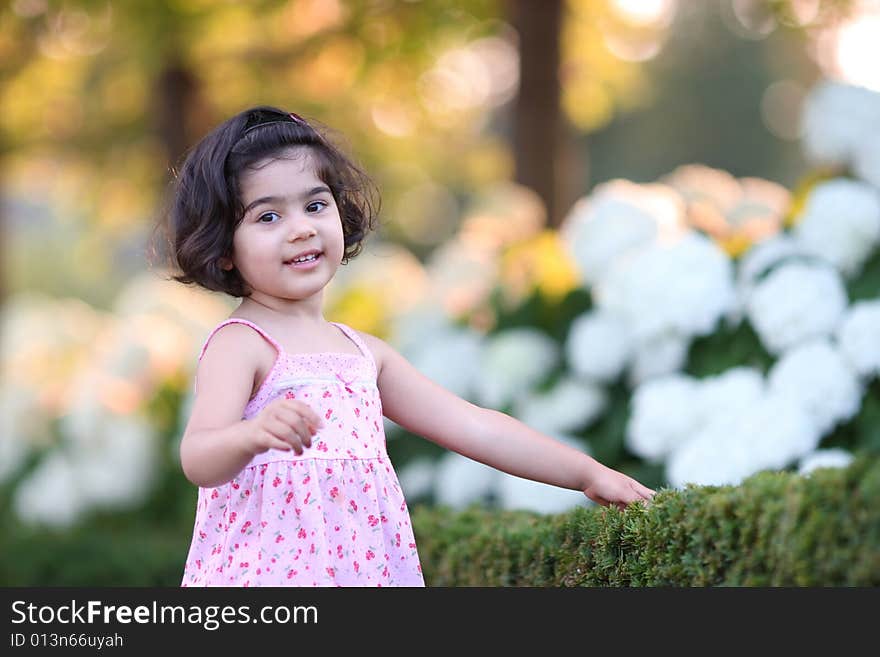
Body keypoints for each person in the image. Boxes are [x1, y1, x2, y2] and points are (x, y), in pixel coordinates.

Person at [162, 106, 655, 587]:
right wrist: (253, 435)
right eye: (268, 217)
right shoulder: (242, 344)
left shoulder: (364, 355)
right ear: (224, 248)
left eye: (315, 205)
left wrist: (588, 474)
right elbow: (199, 457)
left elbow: (474, 426)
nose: (301, 228)